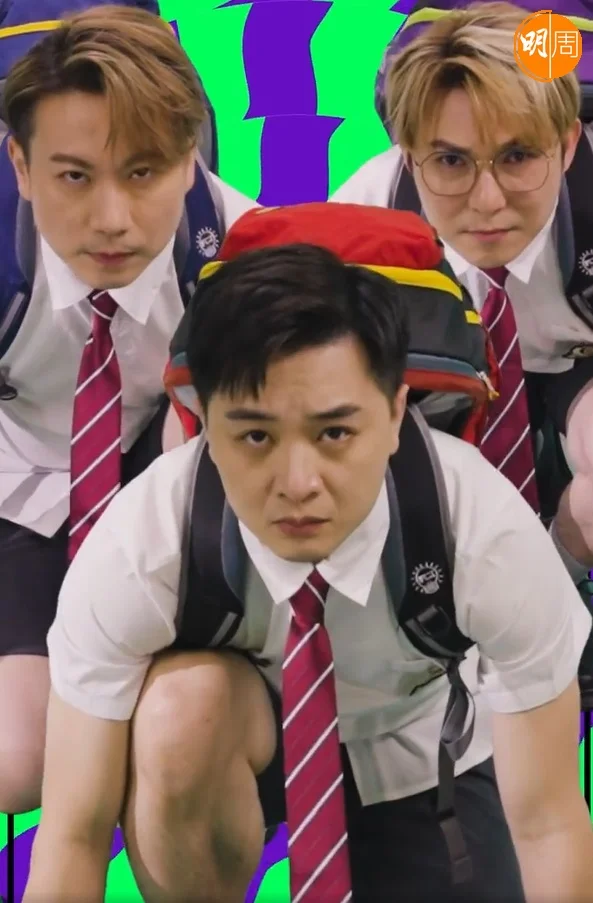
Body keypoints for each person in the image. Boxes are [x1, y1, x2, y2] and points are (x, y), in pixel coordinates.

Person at [25, 238, 593, 902]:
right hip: (234, 741)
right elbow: (72, 839)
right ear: (204, 421)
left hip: (420, 746)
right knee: (178, 714)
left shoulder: (480, 529)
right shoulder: (142, 544)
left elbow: (549, 823)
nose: (298, 483)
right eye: (255, 435)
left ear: (394, 413)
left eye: (334, 433)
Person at [0, 3, 257, 815]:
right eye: (74, 176)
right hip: (15, 483)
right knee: (17, 763)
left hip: (160, 477)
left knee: (163, 744)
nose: (111, 220)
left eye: (143, 171)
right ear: (19, 163)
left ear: (191, 157)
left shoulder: (246, 256)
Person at [329, 0, 593, 696]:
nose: (487, 199)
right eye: (449, 160)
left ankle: (548, 598)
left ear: (568, 143)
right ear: (407, 153)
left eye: (518, 156)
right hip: (448, 385)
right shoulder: (364, 217)